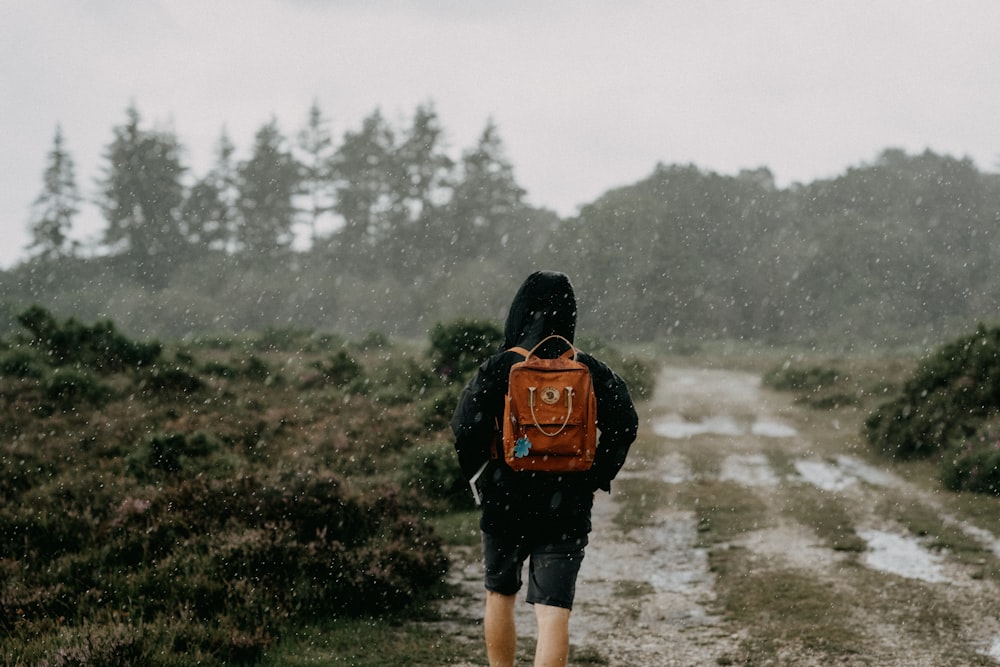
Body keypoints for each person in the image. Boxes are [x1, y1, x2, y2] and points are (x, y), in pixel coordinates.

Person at [451, 270, 639, 667]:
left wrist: (483, 476)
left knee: (499, 594)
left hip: (505, 496)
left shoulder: (500, 366)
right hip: (567, 501)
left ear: (521, 310)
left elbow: (464, 426)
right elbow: (625, 423)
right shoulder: (587, 368)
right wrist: (594, 475)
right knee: (553, 609)